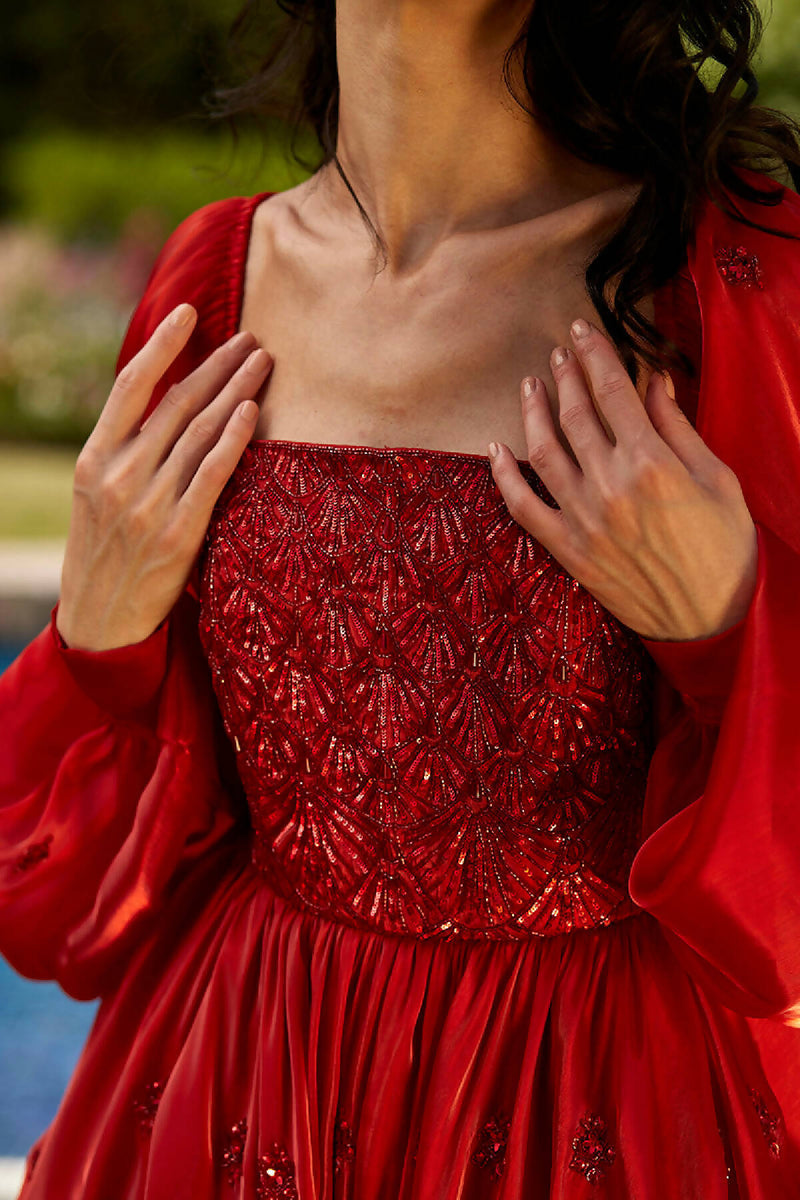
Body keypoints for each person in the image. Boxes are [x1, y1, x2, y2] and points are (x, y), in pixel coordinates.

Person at [2, 1, 800, 1196]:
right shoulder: (212, 279)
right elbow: (68, 901)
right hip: (240, 1078)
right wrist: (98, 645)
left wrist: (731, 625)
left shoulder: (735, 267)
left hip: (600, 1107)